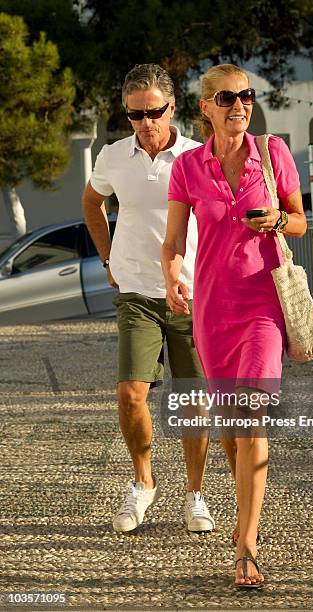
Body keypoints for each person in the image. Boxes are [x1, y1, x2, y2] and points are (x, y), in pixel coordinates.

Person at [161, 64, 306, 587]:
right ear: (206, 107)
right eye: (227, 98)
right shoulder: (189, 168)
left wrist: (277, 222)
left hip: (263, 304)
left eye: (247, 96)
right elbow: (175, 239)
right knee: (231, 427)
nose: (240, 105)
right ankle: (247, 507)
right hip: (212, 311)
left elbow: (301, 221)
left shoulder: (273, 153)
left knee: (251, 419)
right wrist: (173, 277)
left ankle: (246, 546)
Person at [82, 64, 214, 534]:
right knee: (130, 394)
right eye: (136, 114)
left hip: (194, 293)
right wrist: (107, 259)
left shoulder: (199, 157)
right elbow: (91, 204)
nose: (146, 122)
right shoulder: (114, 157)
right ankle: (143, 483)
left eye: (155, 111)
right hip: (136, 291)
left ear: (172, 107)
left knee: (192, 398)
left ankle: (195, 494)